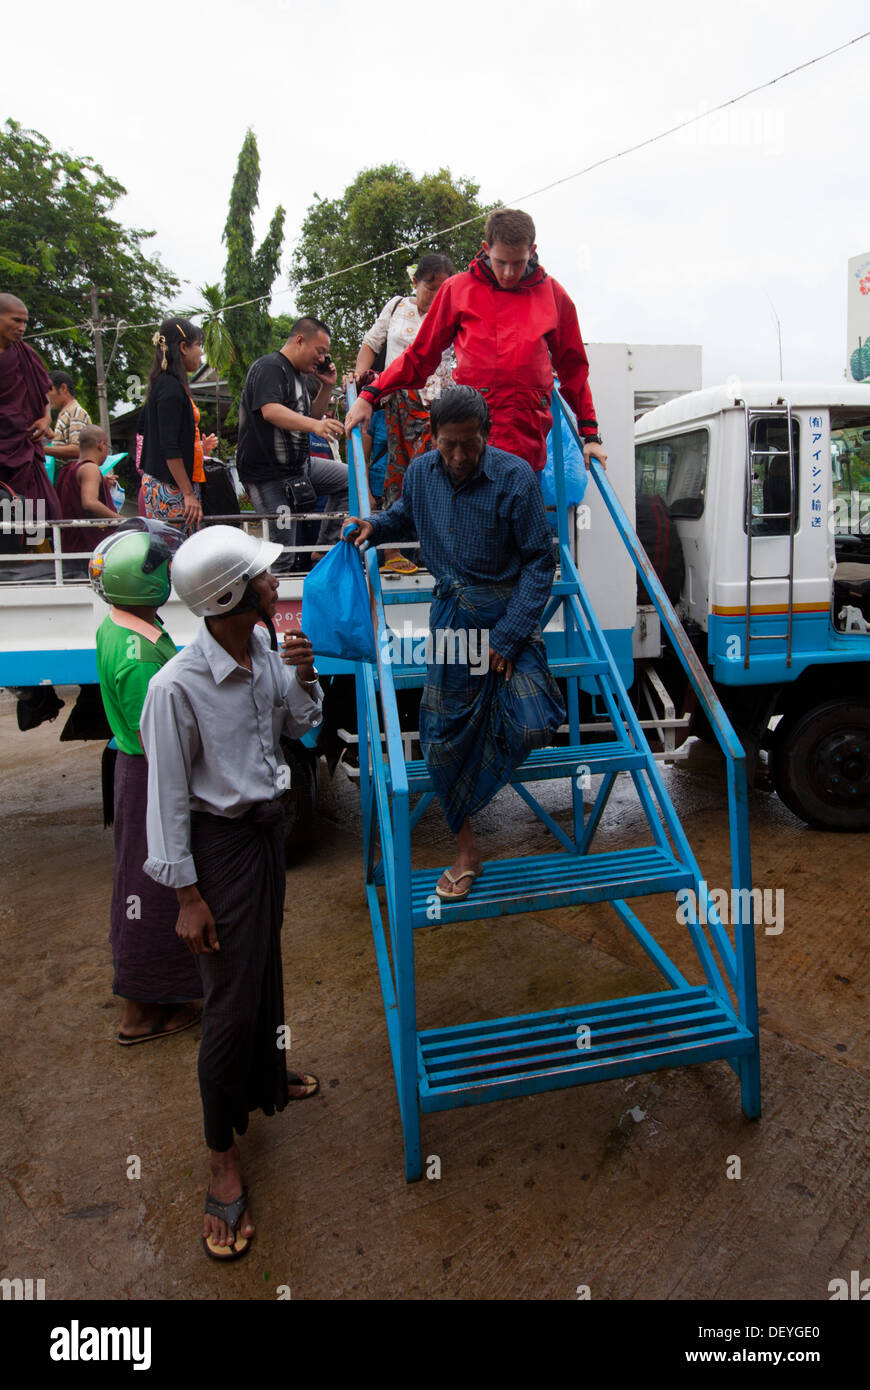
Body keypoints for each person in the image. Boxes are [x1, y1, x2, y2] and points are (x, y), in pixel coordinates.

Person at [139, 526, 324, 1260]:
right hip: (218, 853)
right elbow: (168, 802)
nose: (275, 585)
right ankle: (221, 1158)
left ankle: (266, 1077)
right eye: (264, 579)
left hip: (266, 836)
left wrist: (307, 675)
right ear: (230, 597)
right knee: (227, 1001)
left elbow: (303, 729)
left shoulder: (266, 658)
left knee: (263, 968)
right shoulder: (175, 688)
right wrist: (186, 895)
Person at [346, 386, 565, 901]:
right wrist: (372, 525)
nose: (461, 456)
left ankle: (481, 775)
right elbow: (403, 516)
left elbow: (540, 561)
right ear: (433, 437)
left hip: (506, 616)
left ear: (485, 433)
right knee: (442, 736)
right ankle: (467, 849)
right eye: (449, 445)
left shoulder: (514, 477)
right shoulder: (421, 472)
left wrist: (509, 638)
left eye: (470, 443)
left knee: (534, 723)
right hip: (452, 623)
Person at [345, 209, 608, 475]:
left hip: (526, 442)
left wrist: (591, 436)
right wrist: (370, 393)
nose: (508, 273)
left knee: (518, 510)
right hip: (471, 441)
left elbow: (573, 369)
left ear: (532, 251)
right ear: (486, 248)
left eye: (517, 263)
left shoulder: (552, 294)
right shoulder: (458, 290)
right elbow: (420, 357)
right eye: (500, 261)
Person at [90, 518, 202, 1043]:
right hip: (148, 773)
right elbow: (153, 731)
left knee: (143, 888)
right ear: (149, 583)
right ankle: (138, 1013)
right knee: (151, 891)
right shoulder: (138, 657)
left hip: (136, 770)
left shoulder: (118, 622)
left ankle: (160, 999)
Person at [354, 254, 455, 573]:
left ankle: (434, 551)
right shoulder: (398, 306)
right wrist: (362, 388)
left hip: (437, 404)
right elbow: (370, 344)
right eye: (430, 287)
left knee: (436, 473)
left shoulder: (452, 314)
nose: (436, 295)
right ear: (415, 282)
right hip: (397, 398)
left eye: (443, 289)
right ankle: (392, 551)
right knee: (397, 470)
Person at [235, 317, 347, 574]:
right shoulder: (270, 367)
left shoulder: (298, 376)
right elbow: (270, 411)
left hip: (299, 468)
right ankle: (276, 608)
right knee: (282, 555)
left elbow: (312, 417)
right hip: (268, 476)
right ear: (300, 340)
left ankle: (325, 549)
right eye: (320, 351)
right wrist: (316, 427)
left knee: (348, 479)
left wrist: (327, 387)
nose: (322, 359)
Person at [139, 318, 218, 540]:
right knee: (179, 551)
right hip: (170, 487)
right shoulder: (170, 388)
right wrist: (188, 493)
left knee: (180, 548)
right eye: (198, 345)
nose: (201, 353)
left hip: (168, 482)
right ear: (183, 348)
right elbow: (169, 445)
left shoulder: (164, 384)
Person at [0, 293, 61, 516]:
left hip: (23, 446)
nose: (22, 327)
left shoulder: (26, 354)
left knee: (37, 511)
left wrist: (46, 419)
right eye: (16, 320)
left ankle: (29, 548)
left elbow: (43, 392)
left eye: (25, 322)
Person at [55, 425, 118, 573]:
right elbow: (89, 503)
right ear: (101, 445)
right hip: (88, 548)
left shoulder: (69, 469)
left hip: (71, 544)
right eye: (108, 448)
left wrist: (102, 483)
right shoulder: (90, 468)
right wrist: (121, 520)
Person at [44, 370, 92, 466]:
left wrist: (42, 449)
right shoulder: (66, 413)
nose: (47, 396)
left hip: (74, 473)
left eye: (49, 390)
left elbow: (78, 449)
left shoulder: (75, 412)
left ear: (63, 388)